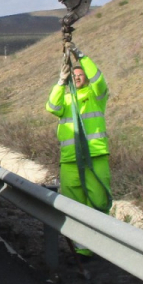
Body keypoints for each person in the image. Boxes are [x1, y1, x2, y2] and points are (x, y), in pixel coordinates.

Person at [46, 46, 111, 258]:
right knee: (74, 204)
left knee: (99, 201)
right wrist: (60, 82)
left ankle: (101, 244)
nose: (77, 78)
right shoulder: (65, 99)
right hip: (71, 160)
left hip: (95, 157)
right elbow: (51, 107)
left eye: (80, 75)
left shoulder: (95, 96)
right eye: (74, 76)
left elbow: (99, 80)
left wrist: (81, 57)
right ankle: (83, 249)